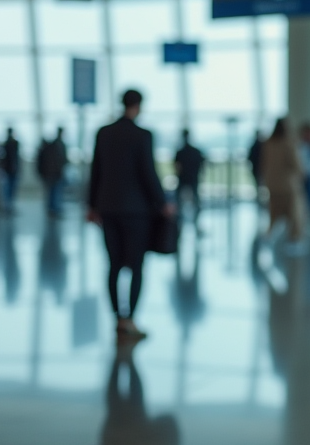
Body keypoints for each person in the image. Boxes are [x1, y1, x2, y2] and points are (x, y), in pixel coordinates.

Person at [87, 90, 171, 341]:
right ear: (139, 106)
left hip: (108, 208)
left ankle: (117, 318)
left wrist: (91, 205)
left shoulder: (103, 133)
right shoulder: (143, 135)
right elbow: (148, 172)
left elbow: (96, 171)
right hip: (137, 211)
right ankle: (130, 318)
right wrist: (163, 202)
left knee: (113, 265)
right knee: (136, 266)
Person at [262, 118, 307, 250]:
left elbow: (264, 163)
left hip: (272, 184)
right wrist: (302, 174)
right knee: (295, 214)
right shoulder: (289, 143)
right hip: (288, 185)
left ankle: (268, 235)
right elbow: (296, 164)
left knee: (273, 212)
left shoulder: (268, 143)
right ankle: (294, 241)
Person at [173, 129, 205, 223]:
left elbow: (176, 166)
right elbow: (201, 164)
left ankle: (180, 214)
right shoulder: (195, 151)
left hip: (184, 178)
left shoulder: (180, 152)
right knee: (195, 199)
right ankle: (195, 216)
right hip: (192, 177)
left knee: (180, 199)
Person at [37, 127, 68, 217]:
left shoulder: (53, 145)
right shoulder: (57, 145)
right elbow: (60, 160)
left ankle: (52, 209)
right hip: (55, 173)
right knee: (55, 191)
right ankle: (54, 209)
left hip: (52, 173)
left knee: (52, 192)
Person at [1, 127, 20, 213]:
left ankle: (9, 205)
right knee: (9, 188)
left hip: (11, 169)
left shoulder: (10, 143)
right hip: (10, 169)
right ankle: (8, 206)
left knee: (10, 188)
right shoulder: (9, 143)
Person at [247, 129, 265, 202]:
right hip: (261, 168)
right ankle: (261, 198)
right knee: (261, 184)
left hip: (257, 168)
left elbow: (249, 157)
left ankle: (260, 198)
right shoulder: (262, 145)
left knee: (259, 184)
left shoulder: (255, 145)